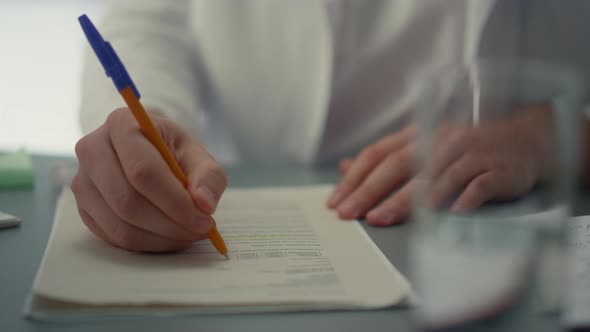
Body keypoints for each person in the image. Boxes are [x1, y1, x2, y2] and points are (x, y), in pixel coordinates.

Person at [73, 0, 590, 252]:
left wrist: (563, 131)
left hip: (507, 221)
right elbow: (148, 22)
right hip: (248, 200)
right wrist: (148, 125)